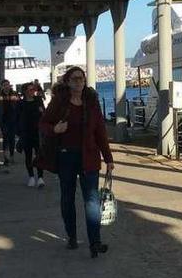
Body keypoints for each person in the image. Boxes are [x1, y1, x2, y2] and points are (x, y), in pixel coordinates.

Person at [40, 66, 114, 258]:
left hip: (89, 156)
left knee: (91, 200)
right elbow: (43, 124)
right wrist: (55, 129)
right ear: (67, 81)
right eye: (74, 79)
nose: (79, 82)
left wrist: (108, 158)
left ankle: (95, 242)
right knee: (68, 198)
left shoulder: (91, 101)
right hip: (66, 156)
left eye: (81, 78)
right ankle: (71, 236)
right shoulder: (59, 101)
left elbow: (100, 132)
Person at [17, 83, 45, 188]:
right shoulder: (20, 103)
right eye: (29, 90)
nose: (32, 91)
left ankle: (41, 177)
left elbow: (44, 113)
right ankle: (31, 177)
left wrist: (42, 111)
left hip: (37, 132)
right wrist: (19, 132)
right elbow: (18, 118)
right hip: (26, 132)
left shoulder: (38, 100)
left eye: (33, 89)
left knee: (39, 155)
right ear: (25, 91)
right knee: (28, 155)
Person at [0, 80, 19, 165]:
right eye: (4, 85)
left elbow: (19, 107)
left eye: (8, 85)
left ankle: (11, 156)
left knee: (12, 139)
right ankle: (6, 158)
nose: (6, 86)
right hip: (4, 120)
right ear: (2, 86)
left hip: (13, 120)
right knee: (5, 139)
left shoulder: (15, 94)